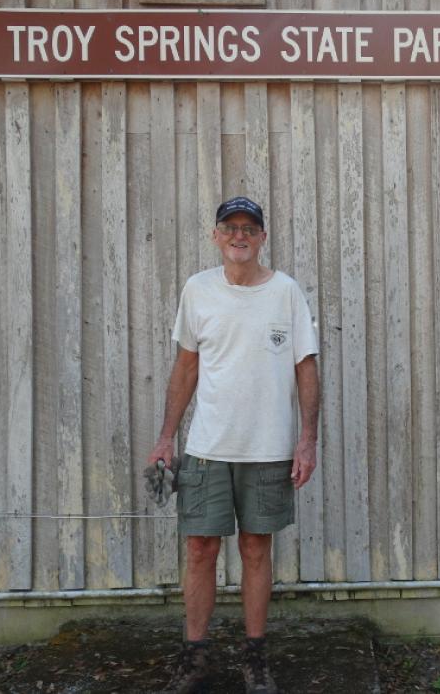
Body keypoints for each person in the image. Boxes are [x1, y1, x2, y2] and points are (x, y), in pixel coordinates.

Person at [147, 196, 320, 694]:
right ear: (216, 236)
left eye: (249, 228)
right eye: (230, 227)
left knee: (255, 549)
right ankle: (195, 656)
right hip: (207, 446)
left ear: (263, 237)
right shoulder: (198, 290)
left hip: (268, 448)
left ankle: (255, 657)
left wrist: (305, 441)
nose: (239, 235)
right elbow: (186, 368)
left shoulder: (286, 292)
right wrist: (165, 438)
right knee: (200, 548)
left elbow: (305, 368)